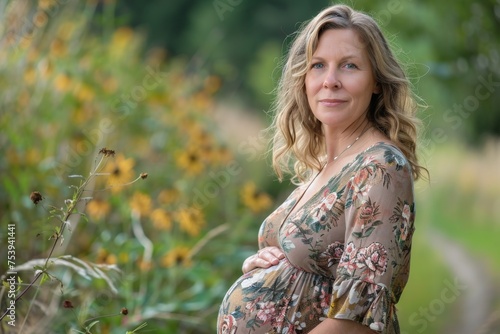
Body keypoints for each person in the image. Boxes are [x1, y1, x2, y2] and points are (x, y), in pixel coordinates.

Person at [217, 4, 427, 334]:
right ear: (303, 78)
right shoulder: (324, 167)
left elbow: (358, 321)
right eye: (318, 65)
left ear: (376, 81)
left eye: (349, 66)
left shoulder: (380, 167)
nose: (330, 81)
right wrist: (255, 270)